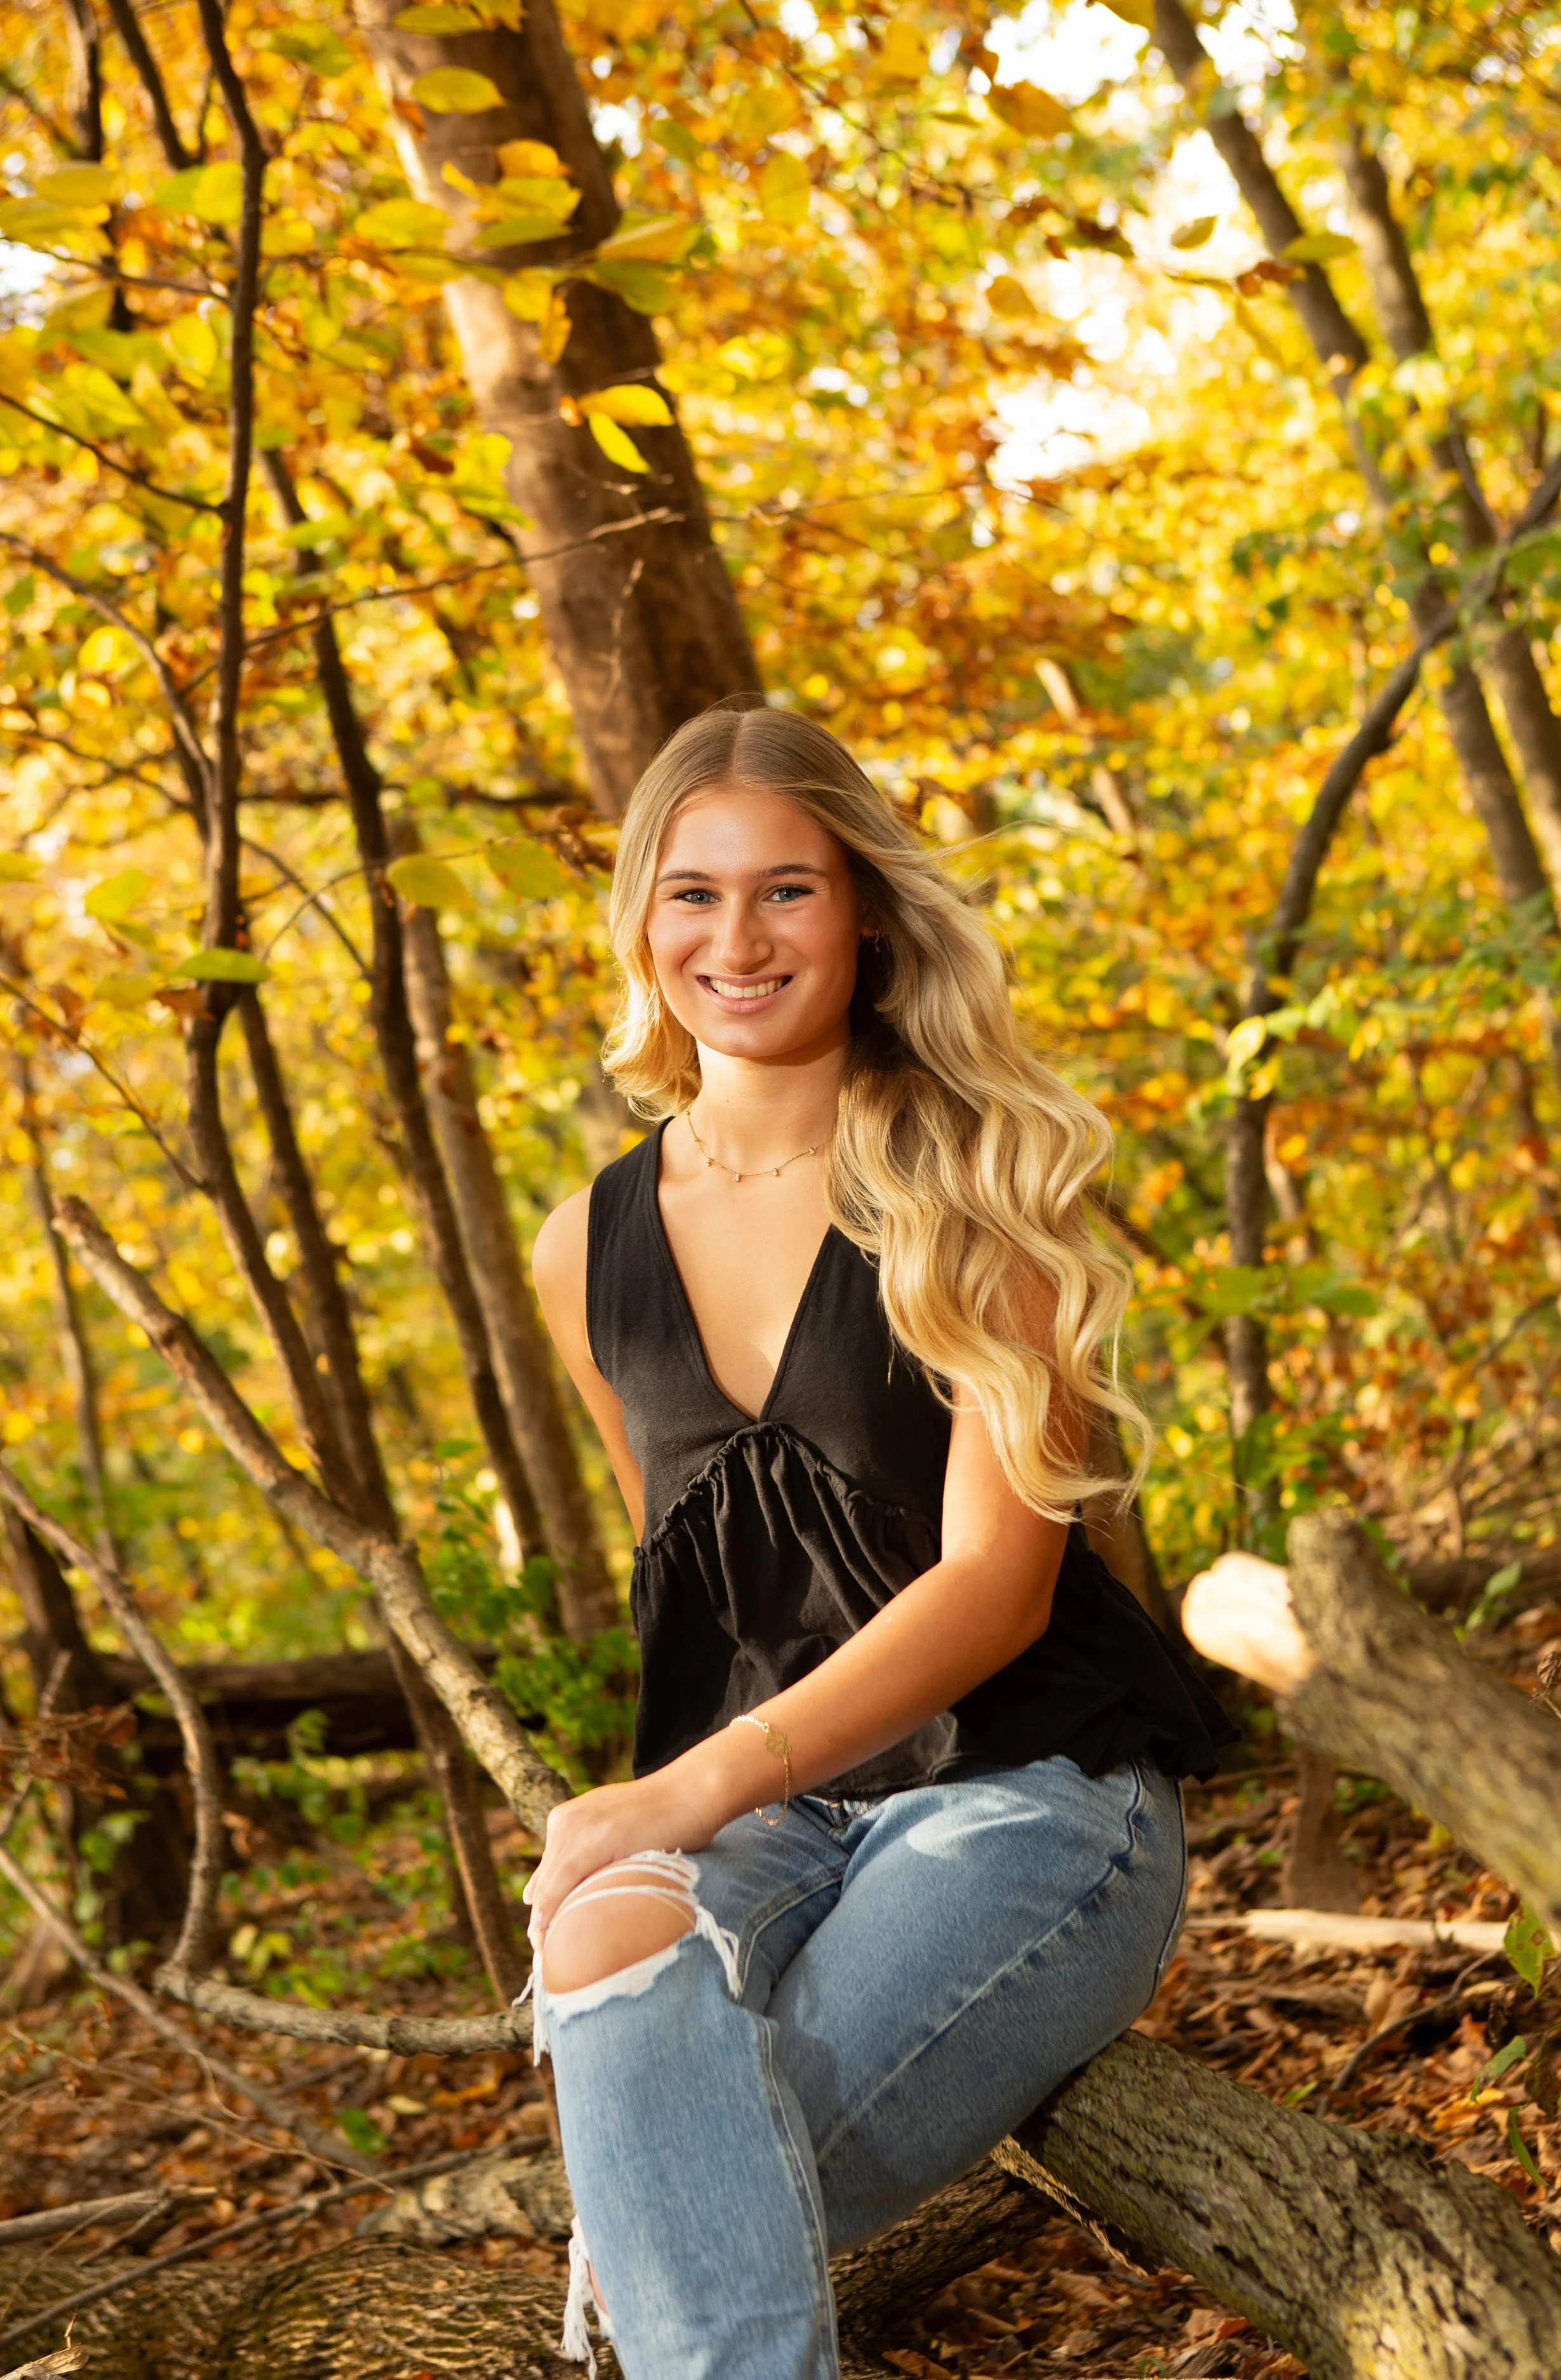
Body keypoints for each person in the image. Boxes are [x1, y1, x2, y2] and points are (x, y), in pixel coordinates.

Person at [526, 700, 1230, 2380]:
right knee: (601, 1929)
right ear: (639, 923)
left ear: (862, 915)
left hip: (1025, 1791)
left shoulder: (977, 1180)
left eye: (787, 889)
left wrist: (678, 1793)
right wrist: (678, 1815)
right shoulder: (582, 1248)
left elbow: (998, 1589)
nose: (737, 939)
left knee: (680, 2204)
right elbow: (694, 1588)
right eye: (693, 894)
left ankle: (643, 2257)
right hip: (775, 1821)